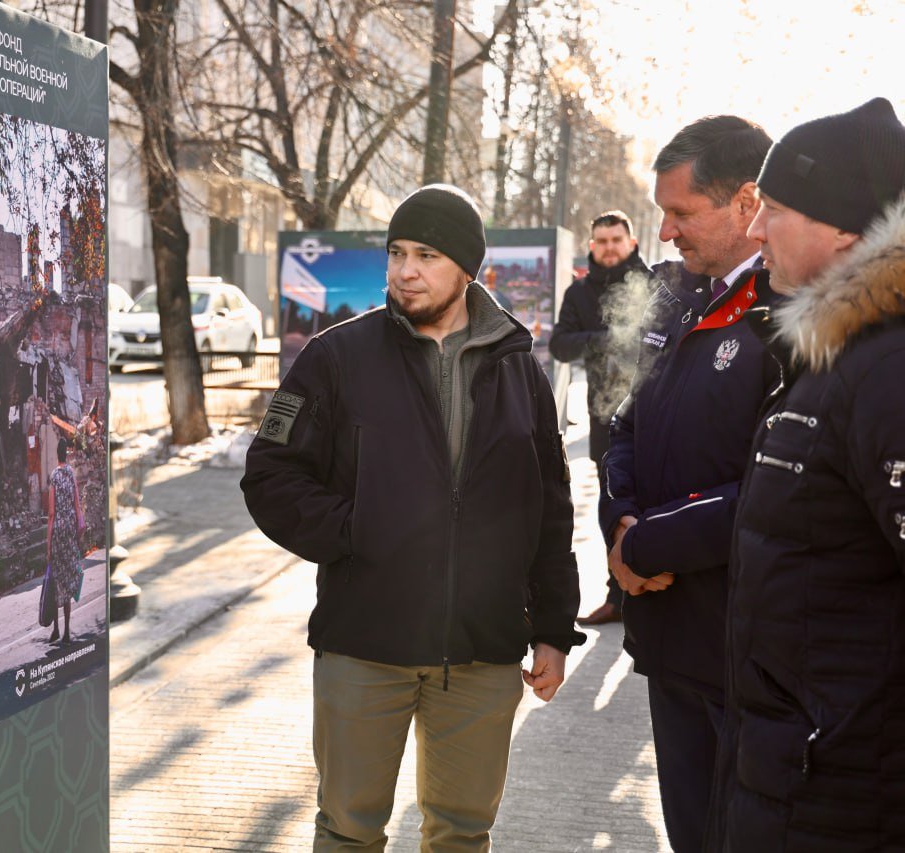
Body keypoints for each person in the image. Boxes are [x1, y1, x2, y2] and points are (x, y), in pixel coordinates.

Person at [241, 184, 583, 850]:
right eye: (396, 252)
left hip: (482, 652)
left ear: (468, 267)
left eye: (426, 254)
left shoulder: (519, 369)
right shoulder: (336, 358)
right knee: (348, 829)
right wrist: (357, 529)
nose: (405, 270)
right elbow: (271, 476)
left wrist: (552, 628)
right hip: (364, 645)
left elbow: (550, 508)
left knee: (461, 832)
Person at [708, 98, 905, 849]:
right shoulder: (831, 353)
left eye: (776, 210)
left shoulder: (886, 370)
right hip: (791, 777)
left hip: (847, 799)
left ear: (848, 229)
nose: (754, 233)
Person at [597, 116, 778, 852]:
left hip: (744, 658)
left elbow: (776, 487)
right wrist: (621, 521)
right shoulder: (679, 297)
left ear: (746, 202)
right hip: (670, 643)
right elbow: (626, 425)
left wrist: (647, 545)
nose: (664, 232)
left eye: (680, 213)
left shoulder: (788, 314)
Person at [549, 210, 651, 626]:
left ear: (632, 243)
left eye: (616, 239)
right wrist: (607, 341)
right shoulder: (579, 293)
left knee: (655, 502)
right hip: (604, 417)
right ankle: (618, 595)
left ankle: (649, 587)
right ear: (592, 246)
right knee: (612, 505)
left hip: (654, 415)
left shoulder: (654, 284)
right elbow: (560, 345)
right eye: (601, 241)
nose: (609, 248)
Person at [41, 437, 84, 644]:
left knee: (57, 581)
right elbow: (77, 504)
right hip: (70, 531)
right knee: (67, 581)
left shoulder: (54, 476)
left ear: (55, 454)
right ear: (66, 453)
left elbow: (50, 513)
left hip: (58, 531)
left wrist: (48, 545)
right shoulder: (71, 474)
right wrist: (78, 528)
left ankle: (56, 629)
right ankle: (67, 630)